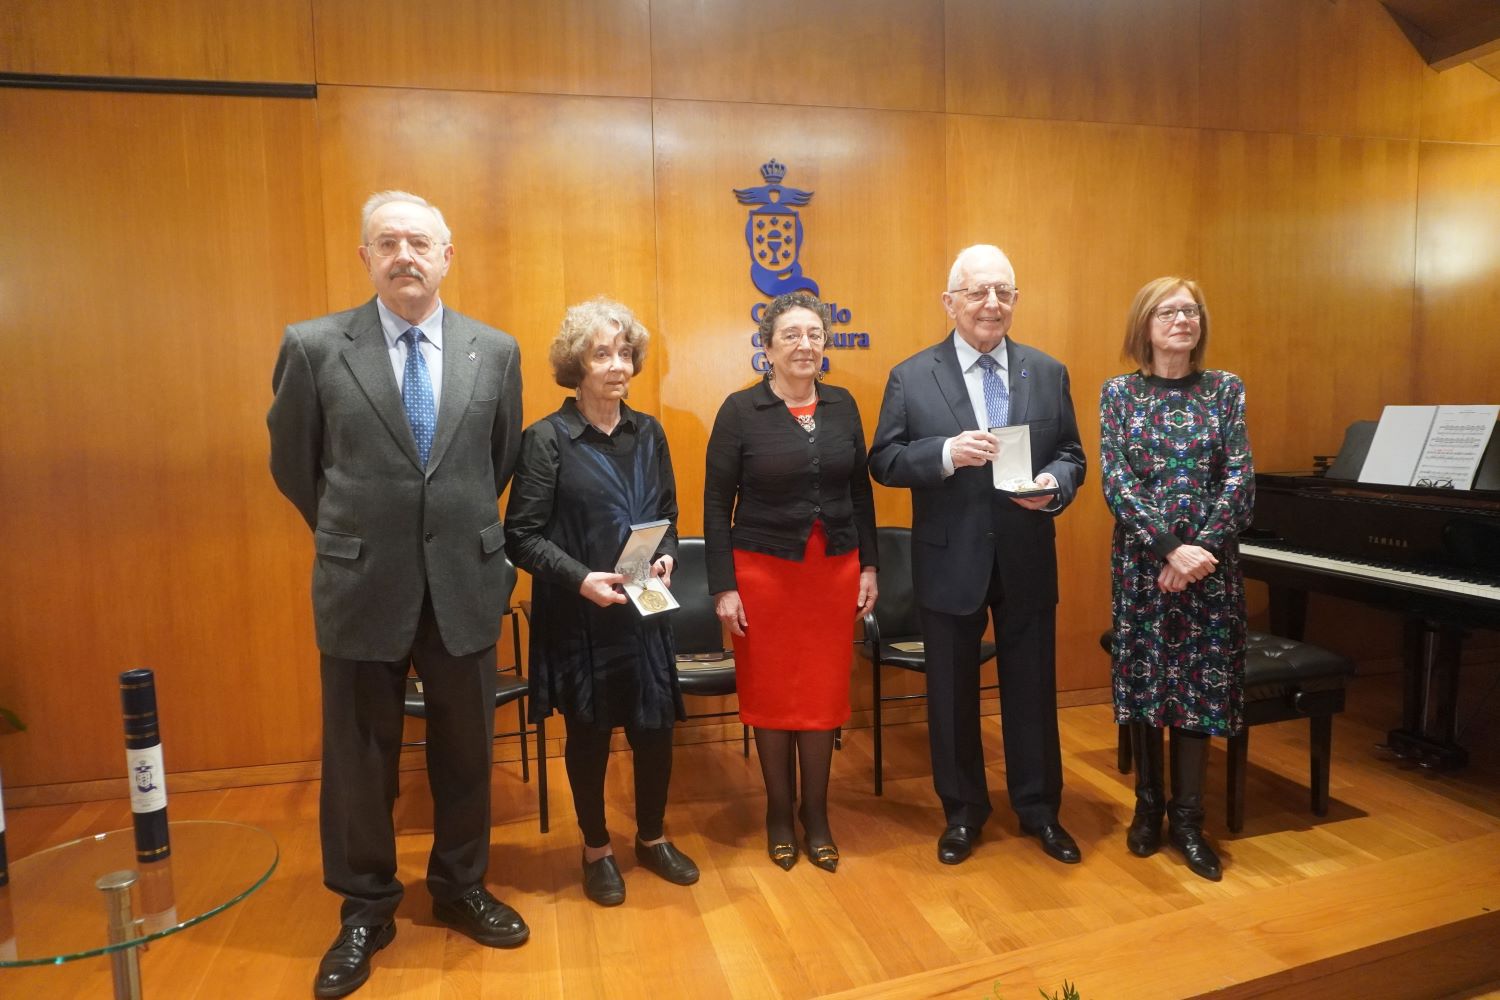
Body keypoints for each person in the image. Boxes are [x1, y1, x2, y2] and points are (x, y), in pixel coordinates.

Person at [268, 191, 527, 999]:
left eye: (420, 242)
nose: (404, 255)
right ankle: (365, 908)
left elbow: (499, 456)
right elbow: (293, 463)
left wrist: (441, 525)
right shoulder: (312, 348)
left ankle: (459, 886)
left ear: (448, 256)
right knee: (358, 757)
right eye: (388, 242)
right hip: (359, 580)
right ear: (366, 257)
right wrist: (357, 529)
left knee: (464, 750)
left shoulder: (497, 350)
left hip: (463, 577)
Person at [869, 244, 1086, 867]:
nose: (992, 304)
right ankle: (962, 814)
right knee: (952, 696)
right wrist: (942, 454)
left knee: (1033, 691)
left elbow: (1071, 454)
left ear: (1015, 301)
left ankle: (1041, 810)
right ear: (950, 302)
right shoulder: (912, 375)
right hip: (949, 560)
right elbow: (883, 461)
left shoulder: (1047, 371)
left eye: (1004, 293)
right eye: (978, 292)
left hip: (1026, 556)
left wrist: (1055, 485)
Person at [504, 297, 699, 907]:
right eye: (601, 353)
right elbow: (521, 535)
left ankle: (651, 836)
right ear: (577, 364)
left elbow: (666, 516)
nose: (617, 365)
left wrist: (666, 553)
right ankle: (596, 849)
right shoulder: (546, 439)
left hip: (644, 604)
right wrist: (580, 577)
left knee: (655, 730)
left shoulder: (650, 433)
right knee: (588, 735)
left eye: (624, 353)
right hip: (579, 612)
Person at [704, 291, 878, 874]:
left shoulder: (844, 405)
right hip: (763, 576)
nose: (805, 345)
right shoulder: (738, 411)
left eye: (814, 335)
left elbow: (860, 493)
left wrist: (870, 566)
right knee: (773, 697)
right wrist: (723, 585)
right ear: (768, 347)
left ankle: (817, 816)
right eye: (791, 335)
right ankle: (779, 814)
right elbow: (714, 505)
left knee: (824, 695)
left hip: (832, 573)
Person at [1099, 277, 1254, 883]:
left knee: (1199, 689)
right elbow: (1117, 482)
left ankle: (1189, 820)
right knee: (1146, 683)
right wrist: (1168, 548)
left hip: (1211, 572)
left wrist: (1198, 552)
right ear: (1146, 324)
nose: (1182, 320)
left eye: (1190, 311)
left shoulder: (1226, 390)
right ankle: (1148, 808)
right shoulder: (1120, 394)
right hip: (1143, 566)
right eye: (1169, 311)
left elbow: (1239, 478)